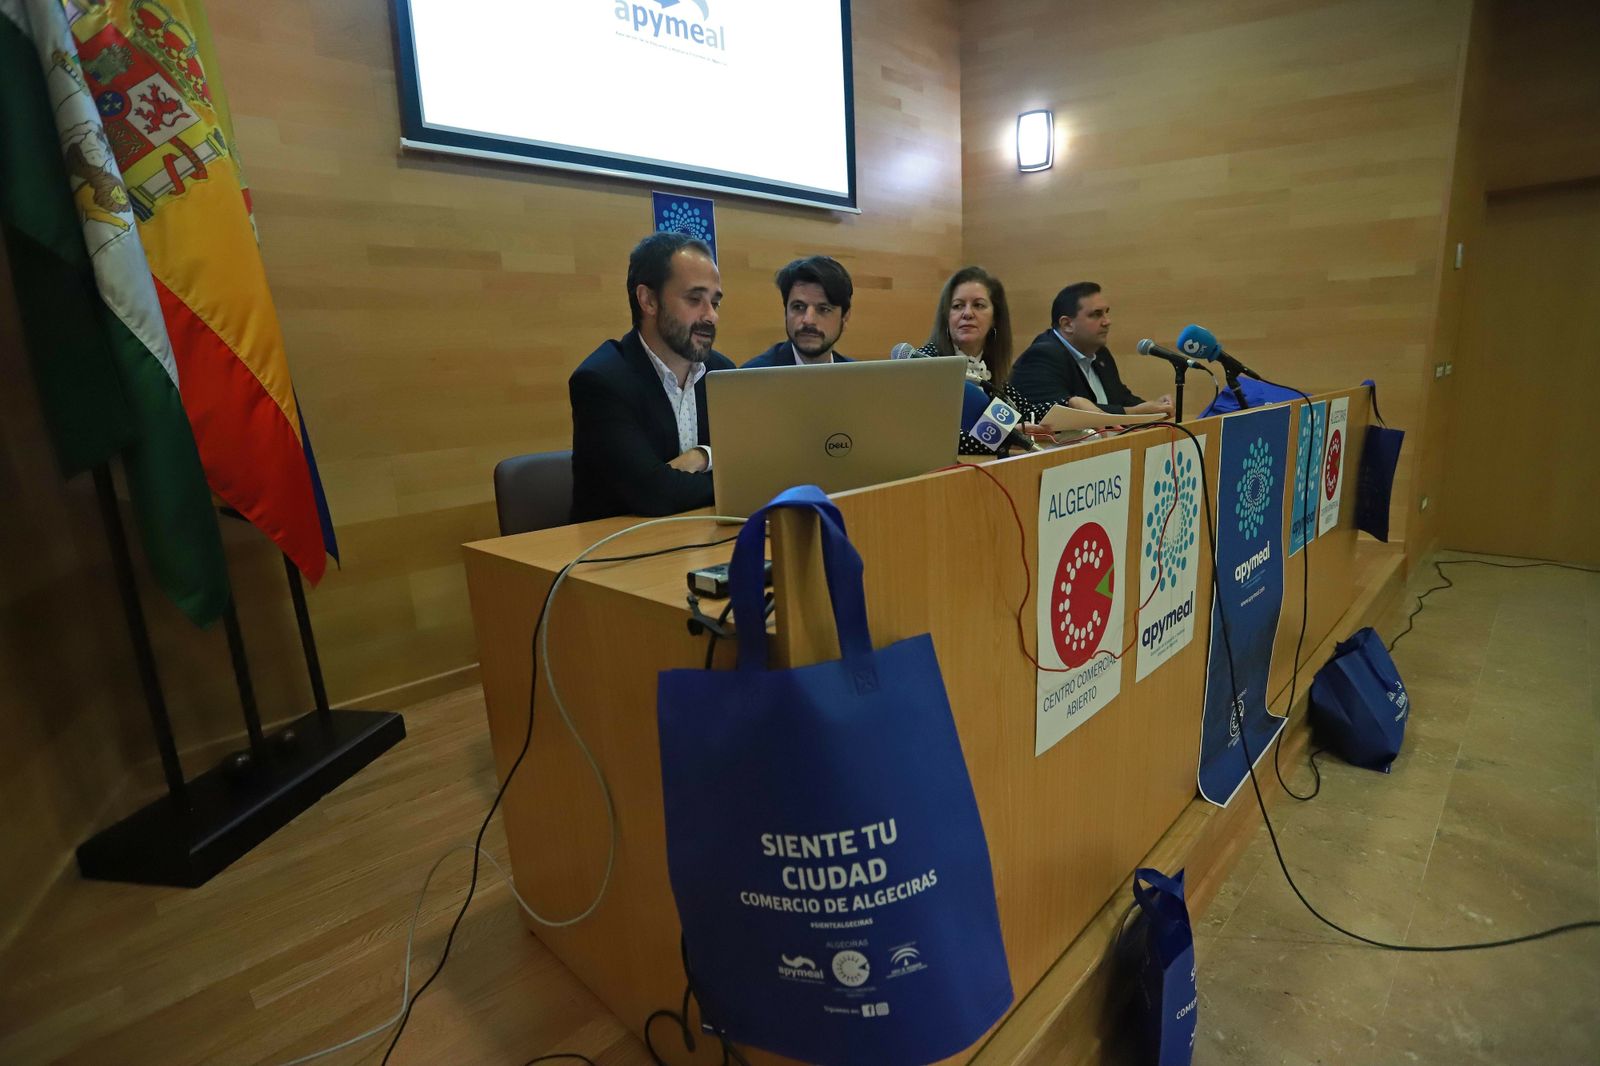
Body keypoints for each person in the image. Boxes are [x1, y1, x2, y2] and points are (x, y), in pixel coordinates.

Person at [568, 232, 736, 522]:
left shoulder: (724, 374)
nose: (711, 316)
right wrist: (728, 479)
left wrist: (701, 456)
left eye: (715, 303)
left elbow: (756, 467)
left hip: (702, 539)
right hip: (618, 553)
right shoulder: (601, 381)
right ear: (648, 301)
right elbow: (655, 494)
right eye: (695, 299)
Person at [912, 266, 1049, 455]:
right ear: (946, 317)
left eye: (978, 305)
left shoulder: (986, 370)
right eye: (958, 306)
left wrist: (1072, 403)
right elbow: (928, 436)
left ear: (995, 318)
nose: (967, 313)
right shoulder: (924, 364)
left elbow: (1026, 412)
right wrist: (1002, 438)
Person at [1008, 282, 1173, 418]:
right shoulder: (1042, 356)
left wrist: (1154, 407)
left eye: (1106, 313)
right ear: (1067, 324)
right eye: (1096, 314)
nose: (1107, 321)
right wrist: (1134, 413)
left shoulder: (1100, 354)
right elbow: (1062, 415)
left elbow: (1120, 398)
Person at [744, 256, 854, 367]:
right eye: (798, 307)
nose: (808, 320)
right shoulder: (752, 378)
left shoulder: (858, 378)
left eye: (823, 309)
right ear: (786, 312)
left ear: (845, 318)